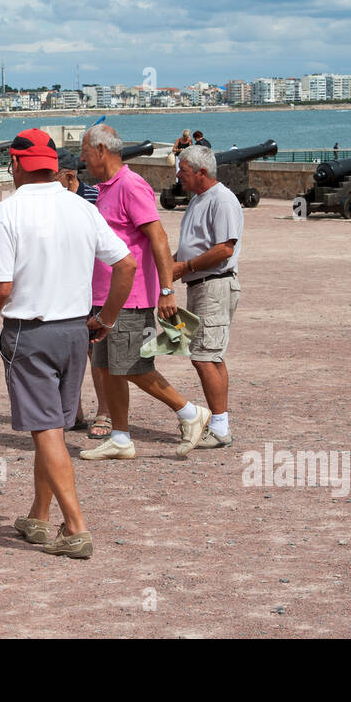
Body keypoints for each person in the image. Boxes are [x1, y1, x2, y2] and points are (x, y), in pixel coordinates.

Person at [0, 129, 136, 559]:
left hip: (29, 333)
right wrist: (105, 319)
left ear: (15, 165)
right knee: (50, 426)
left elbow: (0, 289)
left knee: (47, 429)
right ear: (53, 166)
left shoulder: (7, 212)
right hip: (75, 331)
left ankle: (75, 527)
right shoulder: (81, 207)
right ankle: (38, 516)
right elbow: (126, 265)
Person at [77, 124, 211, 461]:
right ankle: (121, 438)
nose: (82, 161)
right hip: (104, 297)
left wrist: (166, 290)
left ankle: (191, 413)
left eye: (84, 153)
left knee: (133, 365)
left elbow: (159, 238)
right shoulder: (104, 187)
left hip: (129, 296)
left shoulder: (130, 184)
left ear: (101, 151)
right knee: (108, 369)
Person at [171, 145, 243, 450]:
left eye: (183, 171)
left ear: (202, 172)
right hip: (201, 285)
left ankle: (219, 425)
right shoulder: (199, 200)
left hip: (213, 284)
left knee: (203, 356)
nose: (178, 176)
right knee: (211, 355)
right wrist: (171, 269)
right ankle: (219, 422)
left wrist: (183, 267)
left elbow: (225, 248)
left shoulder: (222, 199)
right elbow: (194, 246)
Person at [57, 149, 107, 433]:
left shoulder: (95, 198)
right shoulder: (54, 202)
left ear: (69, 175)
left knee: (95, 353)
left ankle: (104, 411)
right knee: (68, 352)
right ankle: (73, 412)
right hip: (64, 286)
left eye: (55, 176)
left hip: (92, 285)